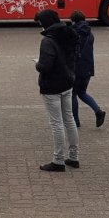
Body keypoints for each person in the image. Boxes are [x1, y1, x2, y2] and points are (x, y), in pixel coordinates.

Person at [34, 9, 80, 172]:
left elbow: (45, 66)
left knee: (56, 123)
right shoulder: (70, 34)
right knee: (69, 119)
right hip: (68, 81)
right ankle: (74, 157)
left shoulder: (48, 40)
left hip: (52, 85)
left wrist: (37, 64)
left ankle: (58, 160)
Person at [69, 11, 106, 128]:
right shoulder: (90, 33)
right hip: (88, 67)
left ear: (73, 20)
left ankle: (75, 120)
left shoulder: (72, 33)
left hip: (76, 67)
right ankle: (98, 111)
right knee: (82, 92)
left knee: (73, 94)